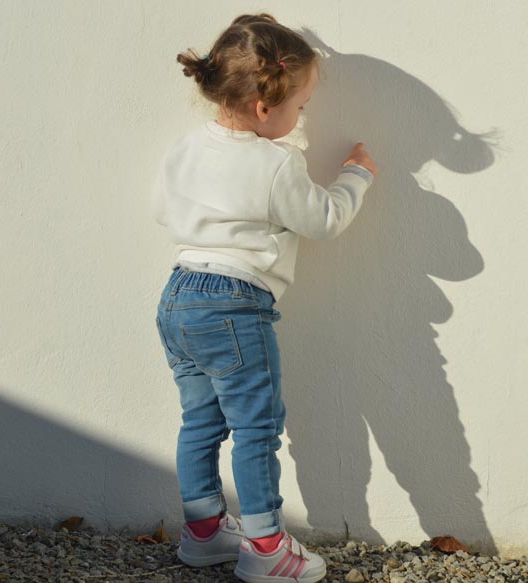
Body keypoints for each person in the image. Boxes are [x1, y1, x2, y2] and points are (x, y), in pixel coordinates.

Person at [152, 13, 378, 583]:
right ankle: (266, 547)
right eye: (299, 108)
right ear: (263, 108)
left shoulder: (186, 147)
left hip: (178, 295)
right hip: (233, 303)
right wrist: (356, 176)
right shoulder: (276, 163)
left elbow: (163, 209)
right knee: (256, 428)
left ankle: (203, 532)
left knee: (199, 422)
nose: (301, 119)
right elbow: (323, 219)